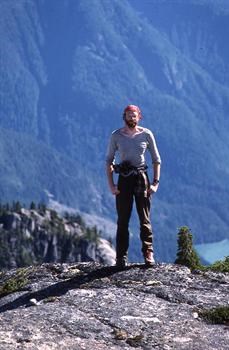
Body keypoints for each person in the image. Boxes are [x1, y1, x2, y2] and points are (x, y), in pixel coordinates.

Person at [106, 104, 161, 268]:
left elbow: (156, 160)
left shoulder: (146, 134)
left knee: (144, 218)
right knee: (122, 220)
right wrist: (111, 186)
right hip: (123, 179)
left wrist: (155, 183)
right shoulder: (116, 136)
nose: (131, 117)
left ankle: (148, 253)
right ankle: (121, 257)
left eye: (134, 115)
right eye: (129, 115)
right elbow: (109, 161)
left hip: (141, 178)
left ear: (139, 117)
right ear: (124, 117)